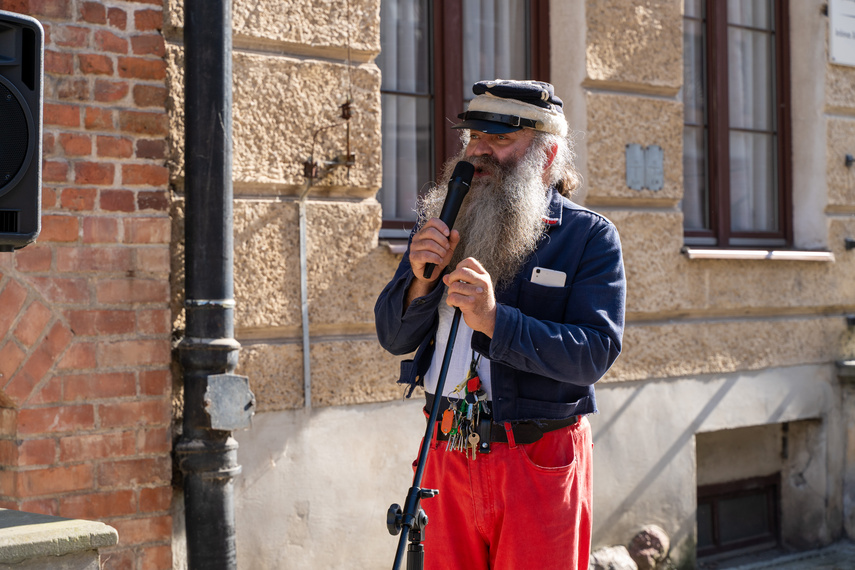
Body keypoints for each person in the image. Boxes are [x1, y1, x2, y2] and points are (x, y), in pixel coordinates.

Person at [375, 79, 626, 570]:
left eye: (500, 139)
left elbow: (592, 353)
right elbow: (394, 337)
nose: (480, 152)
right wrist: (420, 285)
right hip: (446, 450)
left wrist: (495, 320)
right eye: (474, 138)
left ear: (547, 155)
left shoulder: (587, 236)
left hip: (536, 458)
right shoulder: (442, 221)